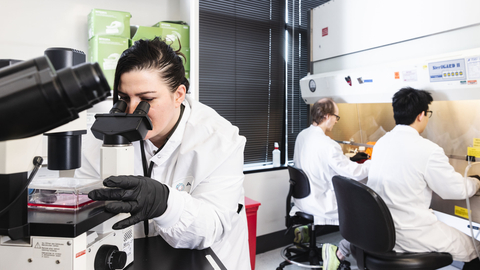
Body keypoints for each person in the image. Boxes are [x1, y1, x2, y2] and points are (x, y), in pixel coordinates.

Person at [75, 37, 251, 270]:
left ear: (178, 95)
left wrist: (165, 203)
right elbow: (84, 204)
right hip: (133, 258)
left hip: (203, 259)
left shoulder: (219, 139)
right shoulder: (97, 140)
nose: (131, 112)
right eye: (124, 98)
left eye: (146, 100)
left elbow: (211, 228)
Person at [363, 87, 480, 269]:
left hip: (381, 231)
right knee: (475, 248)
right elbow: (455, 189)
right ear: (421, 115)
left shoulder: (381, 143)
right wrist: (475, 182)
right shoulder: (427, 149)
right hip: (410, 232)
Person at [292, 97, 370, 270]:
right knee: (365, 212)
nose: (336, 121)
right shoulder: (328, 144)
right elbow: (354, 173)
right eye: (336, 117)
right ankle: (340, 253)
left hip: (301, 199)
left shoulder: (302, 135)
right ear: (327, 116)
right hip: (319, 202)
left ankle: (305, 232)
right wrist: (373, 164)